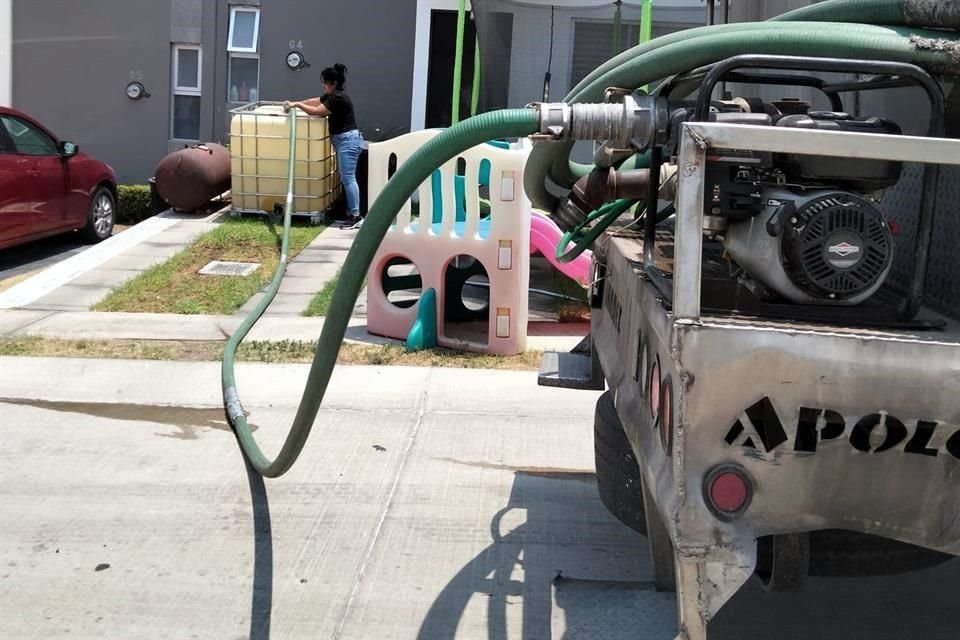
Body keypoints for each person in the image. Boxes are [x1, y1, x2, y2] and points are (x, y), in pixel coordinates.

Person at [284, 63, 364, 229]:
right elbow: (315, 102)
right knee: (347, 179)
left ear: (333, 83)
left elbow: (317, 111)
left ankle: (356, 215)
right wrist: (295, 102)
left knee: (348, 179)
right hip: (345, 141)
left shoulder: (338, 98)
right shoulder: (333, 96)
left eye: (326, 82)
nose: (324, 85)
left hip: (348, 141)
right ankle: (352, 213)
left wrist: (297, 106)